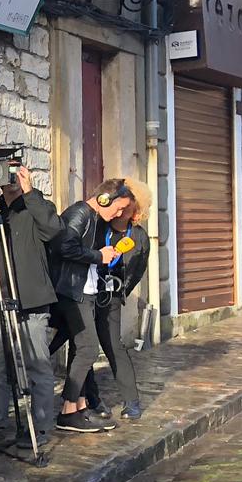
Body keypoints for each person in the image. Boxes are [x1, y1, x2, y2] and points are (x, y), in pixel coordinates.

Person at [0, 160, 63, 450]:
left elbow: (54, 231)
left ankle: (40, 426)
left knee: (37, 368)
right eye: (2, 172)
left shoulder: (36, 206)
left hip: (31, 301)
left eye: (12, 172)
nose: (6, 179)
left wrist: (30, 192)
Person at [48, 179, 133, 433]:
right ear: (105, 199)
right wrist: (98, 256)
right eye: (118, 208)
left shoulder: (94, 218)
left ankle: (79, 407)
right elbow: (64, 246)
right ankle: (68, 410)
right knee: (87, 348)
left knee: (79, 348)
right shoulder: (80, 212)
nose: (118, 214)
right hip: (72, 292)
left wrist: (104, 256)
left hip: (84, 290)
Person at [83, 179, 150, 422]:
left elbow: (137, 271)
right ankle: (91, 398)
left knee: (113, 345)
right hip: (86, 292)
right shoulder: (99, 226)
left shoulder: (139, 237)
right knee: (83, 347)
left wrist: (118, 291)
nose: (121, 212)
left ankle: (131, 401)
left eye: (127, 207)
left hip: (110, 296)